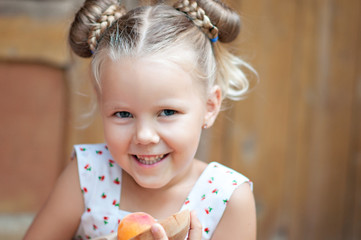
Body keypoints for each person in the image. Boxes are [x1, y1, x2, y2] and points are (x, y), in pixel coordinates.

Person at [24, 0, 256, 239]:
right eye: (123, 114)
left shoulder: (228, 198)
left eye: (167, 112)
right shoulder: (88, 174)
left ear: (209, 106)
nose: (144, 136)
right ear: (101, 103)